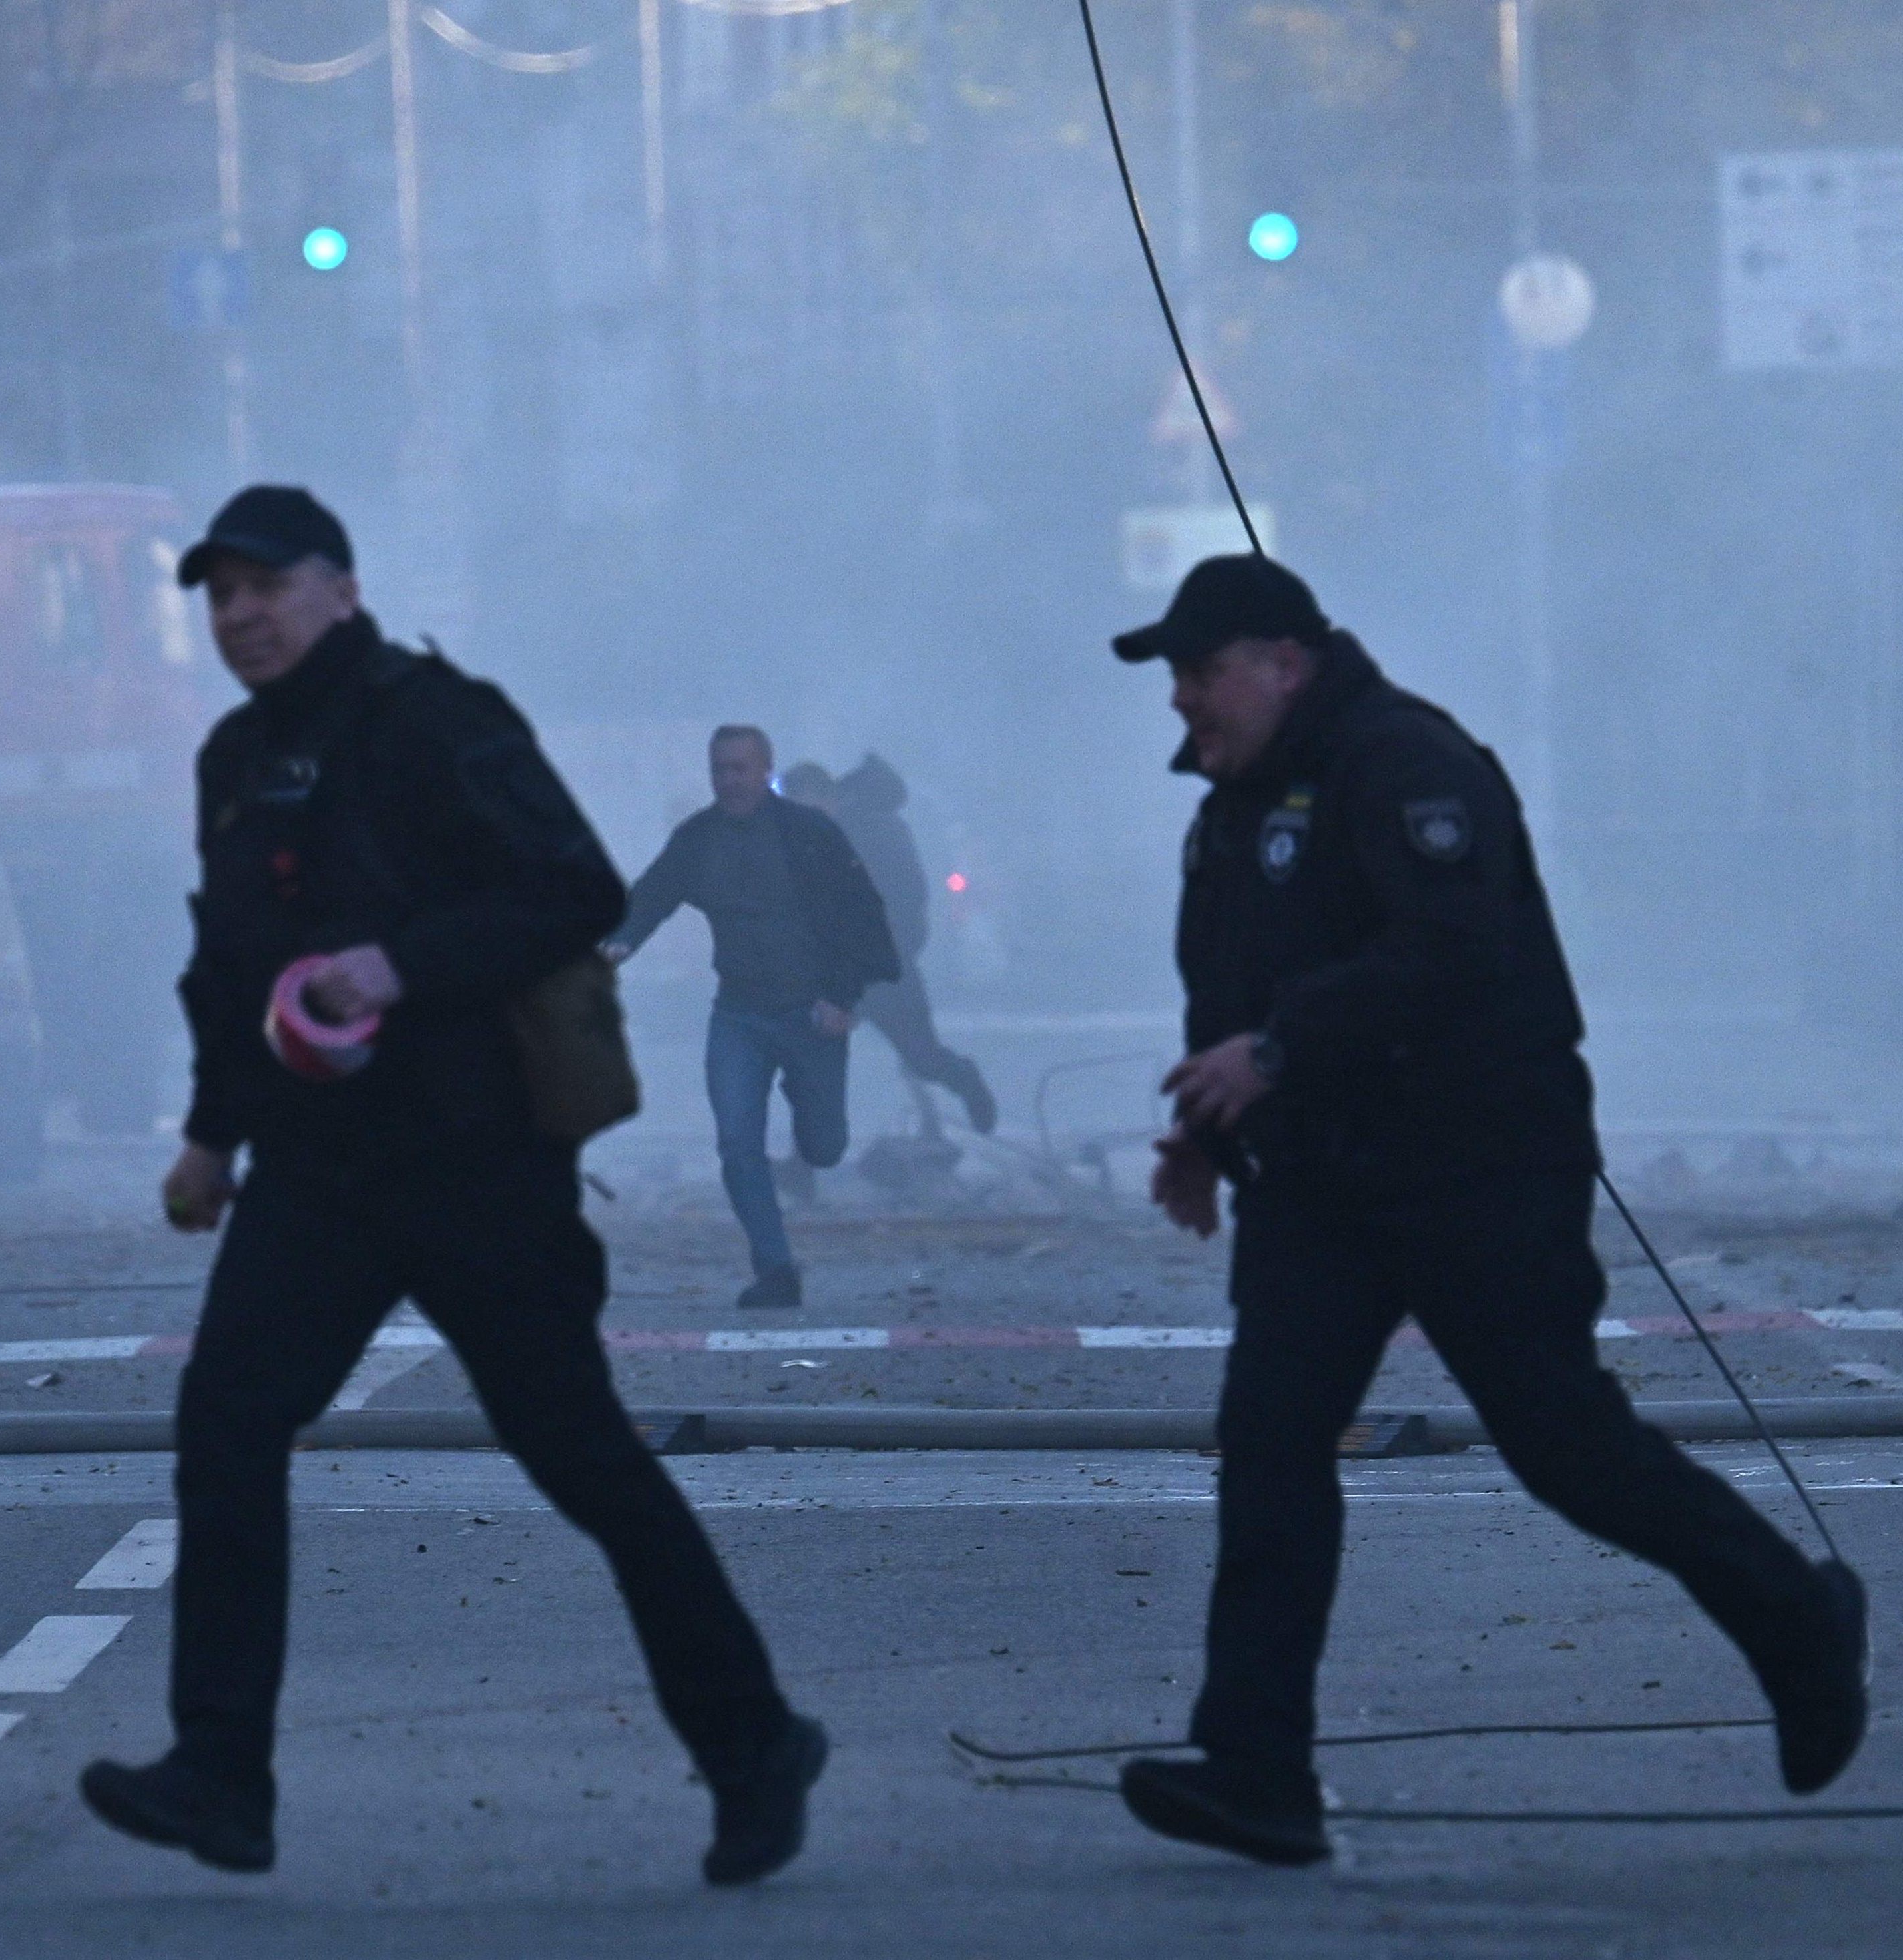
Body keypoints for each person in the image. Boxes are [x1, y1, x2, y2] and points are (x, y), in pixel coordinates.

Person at [79, 486, 824, 1886]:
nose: (240, 615)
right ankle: (220, 1772)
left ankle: (752, 1740)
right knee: (227, 1418)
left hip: (475, 1156)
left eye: (265, 586)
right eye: (219, 595)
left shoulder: (433, 714)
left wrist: (399, 964)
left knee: (577, 1451)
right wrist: (209, 1135)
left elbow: (575, 889)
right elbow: (230, 965)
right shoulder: (238, 753)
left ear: (340, 587)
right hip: (318, 1169)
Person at [1109, 552, 1868, 1867]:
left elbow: (1451, 950)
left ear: (1283, 658)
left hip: (1473, 1160)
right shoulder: (1232, 802)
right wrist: (1204, 1130)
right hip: (1323, 1185)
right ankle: (1255, 1769)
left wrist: (1276, 1054)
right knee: (1269, 1442)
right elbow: (1231, 984)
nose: (1181, 700)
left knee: (1563, 1443)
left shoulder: (1404, 763)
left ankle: (1794, 1617)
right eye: (1171, 675)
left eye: (1198, 669)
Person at [606, 727, 898, 1308]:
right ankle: (776, 1270)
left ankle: (809, 1113)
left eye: (740, 769)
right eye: (720, 770)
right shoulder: (699, 839)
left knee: (824, 1148)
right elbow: (653, 894)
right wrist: (617, 944)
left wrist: (843, 998)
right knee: (738, 1144)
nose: (729, 781)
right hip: (739, 1015)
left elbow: (862, 914)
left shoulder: (810, 834)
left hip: (812, 1014)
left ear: (765, 770)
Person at [780, 756, 997, 1137]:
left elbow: (906, 904)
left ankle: (965, 1079)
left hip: (885, 972)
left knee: (923, 1058)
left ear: (821, 795)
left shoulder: (878, 832)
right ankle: (802, 1169)